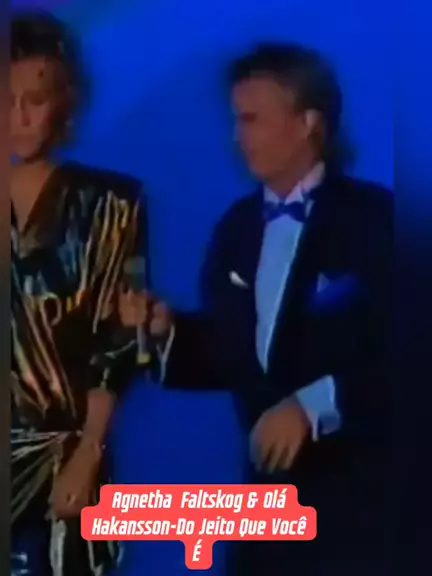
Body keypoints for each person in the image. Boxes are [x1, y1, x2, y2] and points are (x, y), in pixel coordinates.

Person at [120, 43, 392, 575]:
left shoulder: (377, 221)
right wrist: (168, 333)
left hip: (364, 513)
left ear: (308, 123)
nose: (237, 137)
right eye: (235, 120)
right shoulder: (237, 229)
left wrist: (312, 406)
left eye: (251, 120)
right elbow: (233, 355)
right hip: (268, 520)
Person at [11, 11, 146, 576]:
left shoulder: (109, 207)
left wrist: (90, 450)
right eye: (5, 100)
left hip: (62, 464)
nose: (18, 116)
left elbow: (118, 340)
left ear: (65, 102)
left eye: (35, 100)